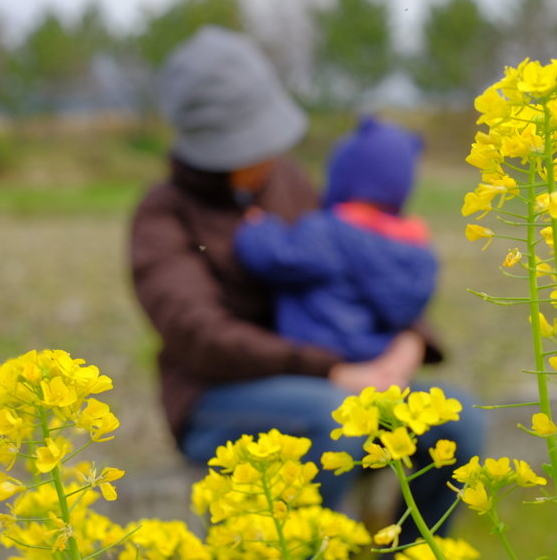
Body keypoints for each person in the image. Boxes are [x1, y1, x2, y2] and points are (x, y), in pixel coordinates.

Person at [129, 26, 483, 540]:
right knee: (331, 419)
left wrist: (409, 343)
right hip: (220, 399)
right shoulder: (162, 215)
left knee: (462, 420)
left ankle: (411, 552)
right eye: (250, 144)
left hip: (335, 383)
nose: (267, 156)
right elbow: (201, 337)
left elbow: (353, 260)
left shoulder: (287, 180)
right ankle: (310, 550)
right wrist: (334, 370)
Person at [233, 118, 436, 364]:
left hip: (321, 353)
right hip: (374, 356)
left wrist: (259, 229)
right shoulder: (417, 248)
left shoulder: (328, 232)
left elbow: (280, 259)